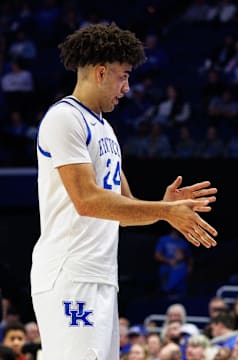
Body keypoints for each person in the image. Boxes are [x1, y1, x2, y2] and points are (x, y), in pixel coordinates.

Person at [30, 23, 218, 360]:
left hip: (100, 275)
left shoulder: (105, 127)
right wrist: (163, 212)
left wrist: (161, 205)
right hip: (69, 273)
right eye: (124, 76)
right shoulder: (64, 119)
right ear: (101, 73)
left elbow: (126, 211)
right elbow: (87, 201)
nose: (127, 88)